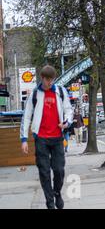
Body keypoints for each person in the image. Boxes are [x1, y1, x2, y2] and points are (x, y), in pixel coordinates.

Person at [20, 65, 74, 209]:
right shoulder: (35, 94)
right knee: (44, 172)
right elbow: (26, 117)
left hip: (57, 138)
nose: (49, 82)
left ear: (54, 79)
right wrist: (24, 139)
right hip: (41, 138)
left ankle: (57, 193)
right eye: (46, 79)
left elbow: (69, 110)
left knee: (59, 170)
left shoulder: (60, 92)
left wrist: (67, 122)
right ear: (42, 78)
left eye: (51, 79)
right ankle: (49, 202)